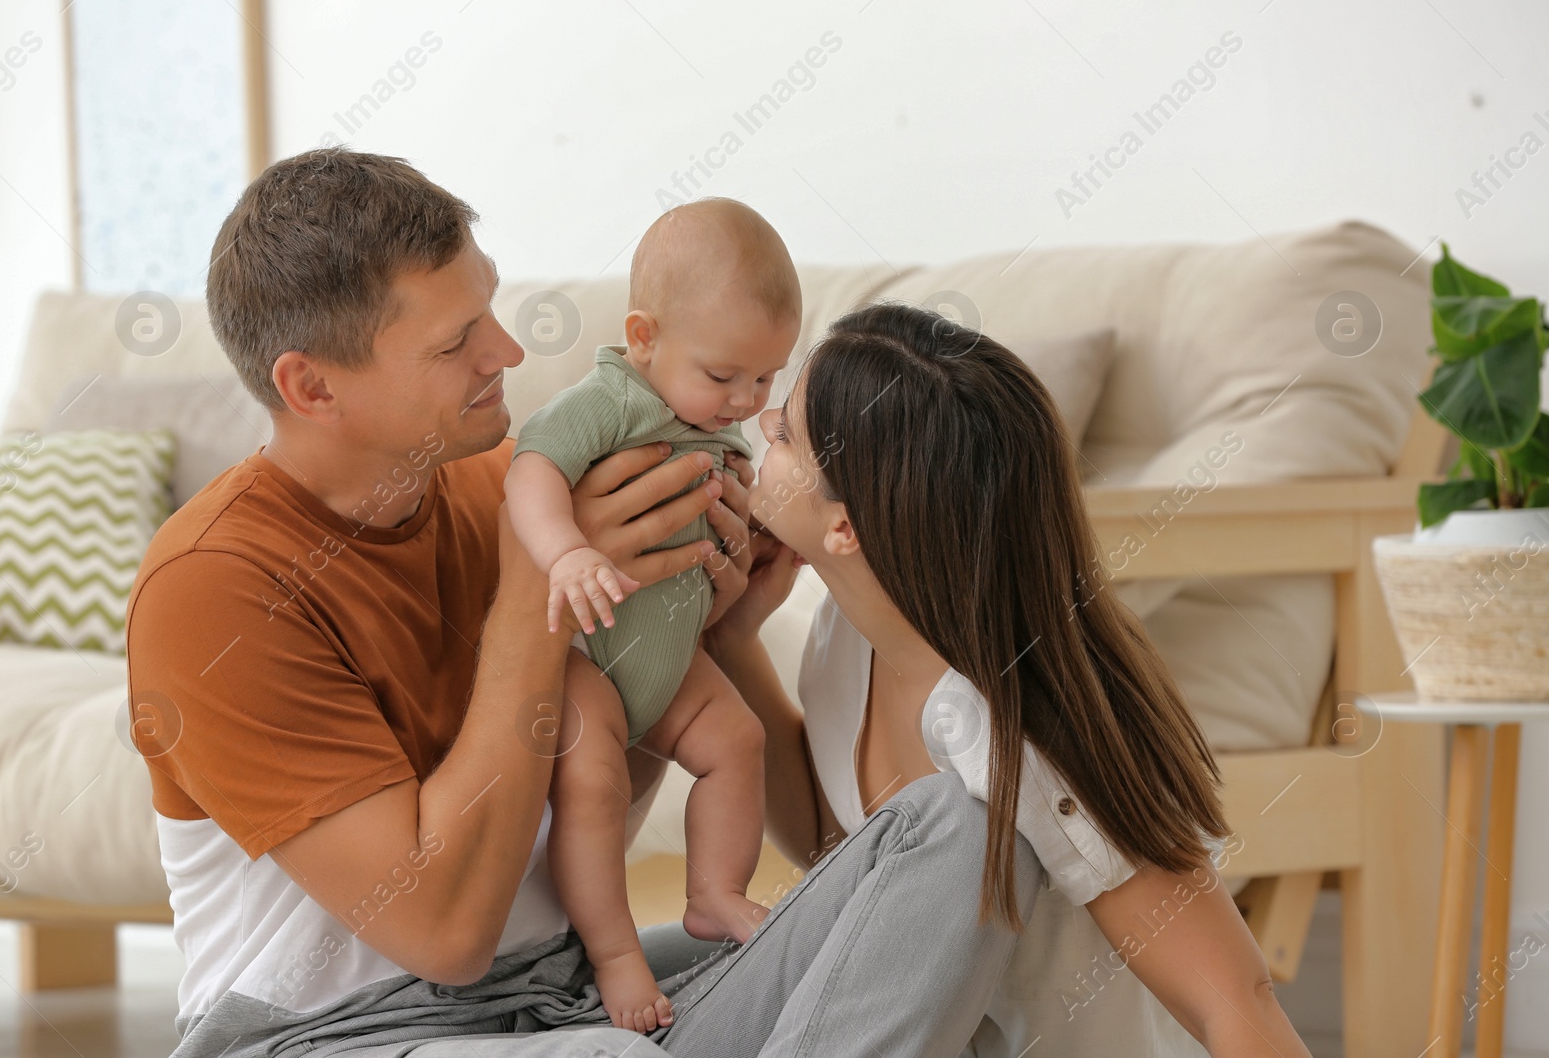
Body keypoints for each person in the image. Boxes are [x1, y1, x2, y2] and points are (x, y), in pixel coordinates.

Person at [126, 148, 1045, 1058]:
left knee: (958, 836)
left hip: (565, 996)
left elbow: (592, 785)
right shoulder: (216, 588)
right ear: (311, 387)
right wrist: (538, 590)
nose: (508, 352)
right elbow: (448, 933)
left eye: (488, 307)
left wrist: (711, 628)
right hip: (351, 1033)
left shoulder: (506, 483)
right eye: (455, 342)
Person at [695, 301, 1314, 1056]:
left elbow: (1237, 999)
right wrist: (732, 640)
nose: (762, 428)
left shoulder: (1023, 738)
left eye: (787, 433)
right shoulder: (847, 632)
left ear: (846, 525)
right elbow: (845, 858)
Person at [504, 198, 799, 1032]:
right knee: (592, 786)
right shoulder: (615, 400)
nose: (743, 398)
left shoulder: (723, 429)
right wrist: (565, 552)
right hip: (590, 655)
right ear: (644, 337)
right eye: (722, 375)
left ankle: (711, 891)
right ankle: (616, 954)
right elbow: (533, 468)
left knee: (738, 741)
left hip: (674, 654)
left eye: (766, 378)